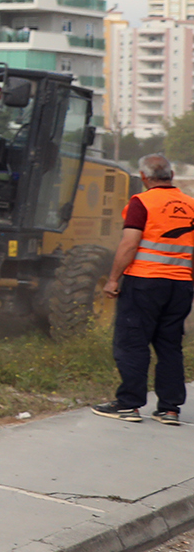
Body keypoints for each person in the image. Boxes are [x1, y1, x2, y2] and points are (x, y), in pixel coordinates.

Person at [92, 154, 194, 423]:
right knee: (170, 346)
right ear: (171, 176)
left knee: (132, 343)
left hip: (145, 283)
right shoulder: (191, 204)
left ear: (144, 177)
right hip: (181, 285)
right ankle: (170, 408)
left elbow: (129, 244)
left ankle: (129, 404)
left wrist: (113, 279)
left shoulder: (142, 202)